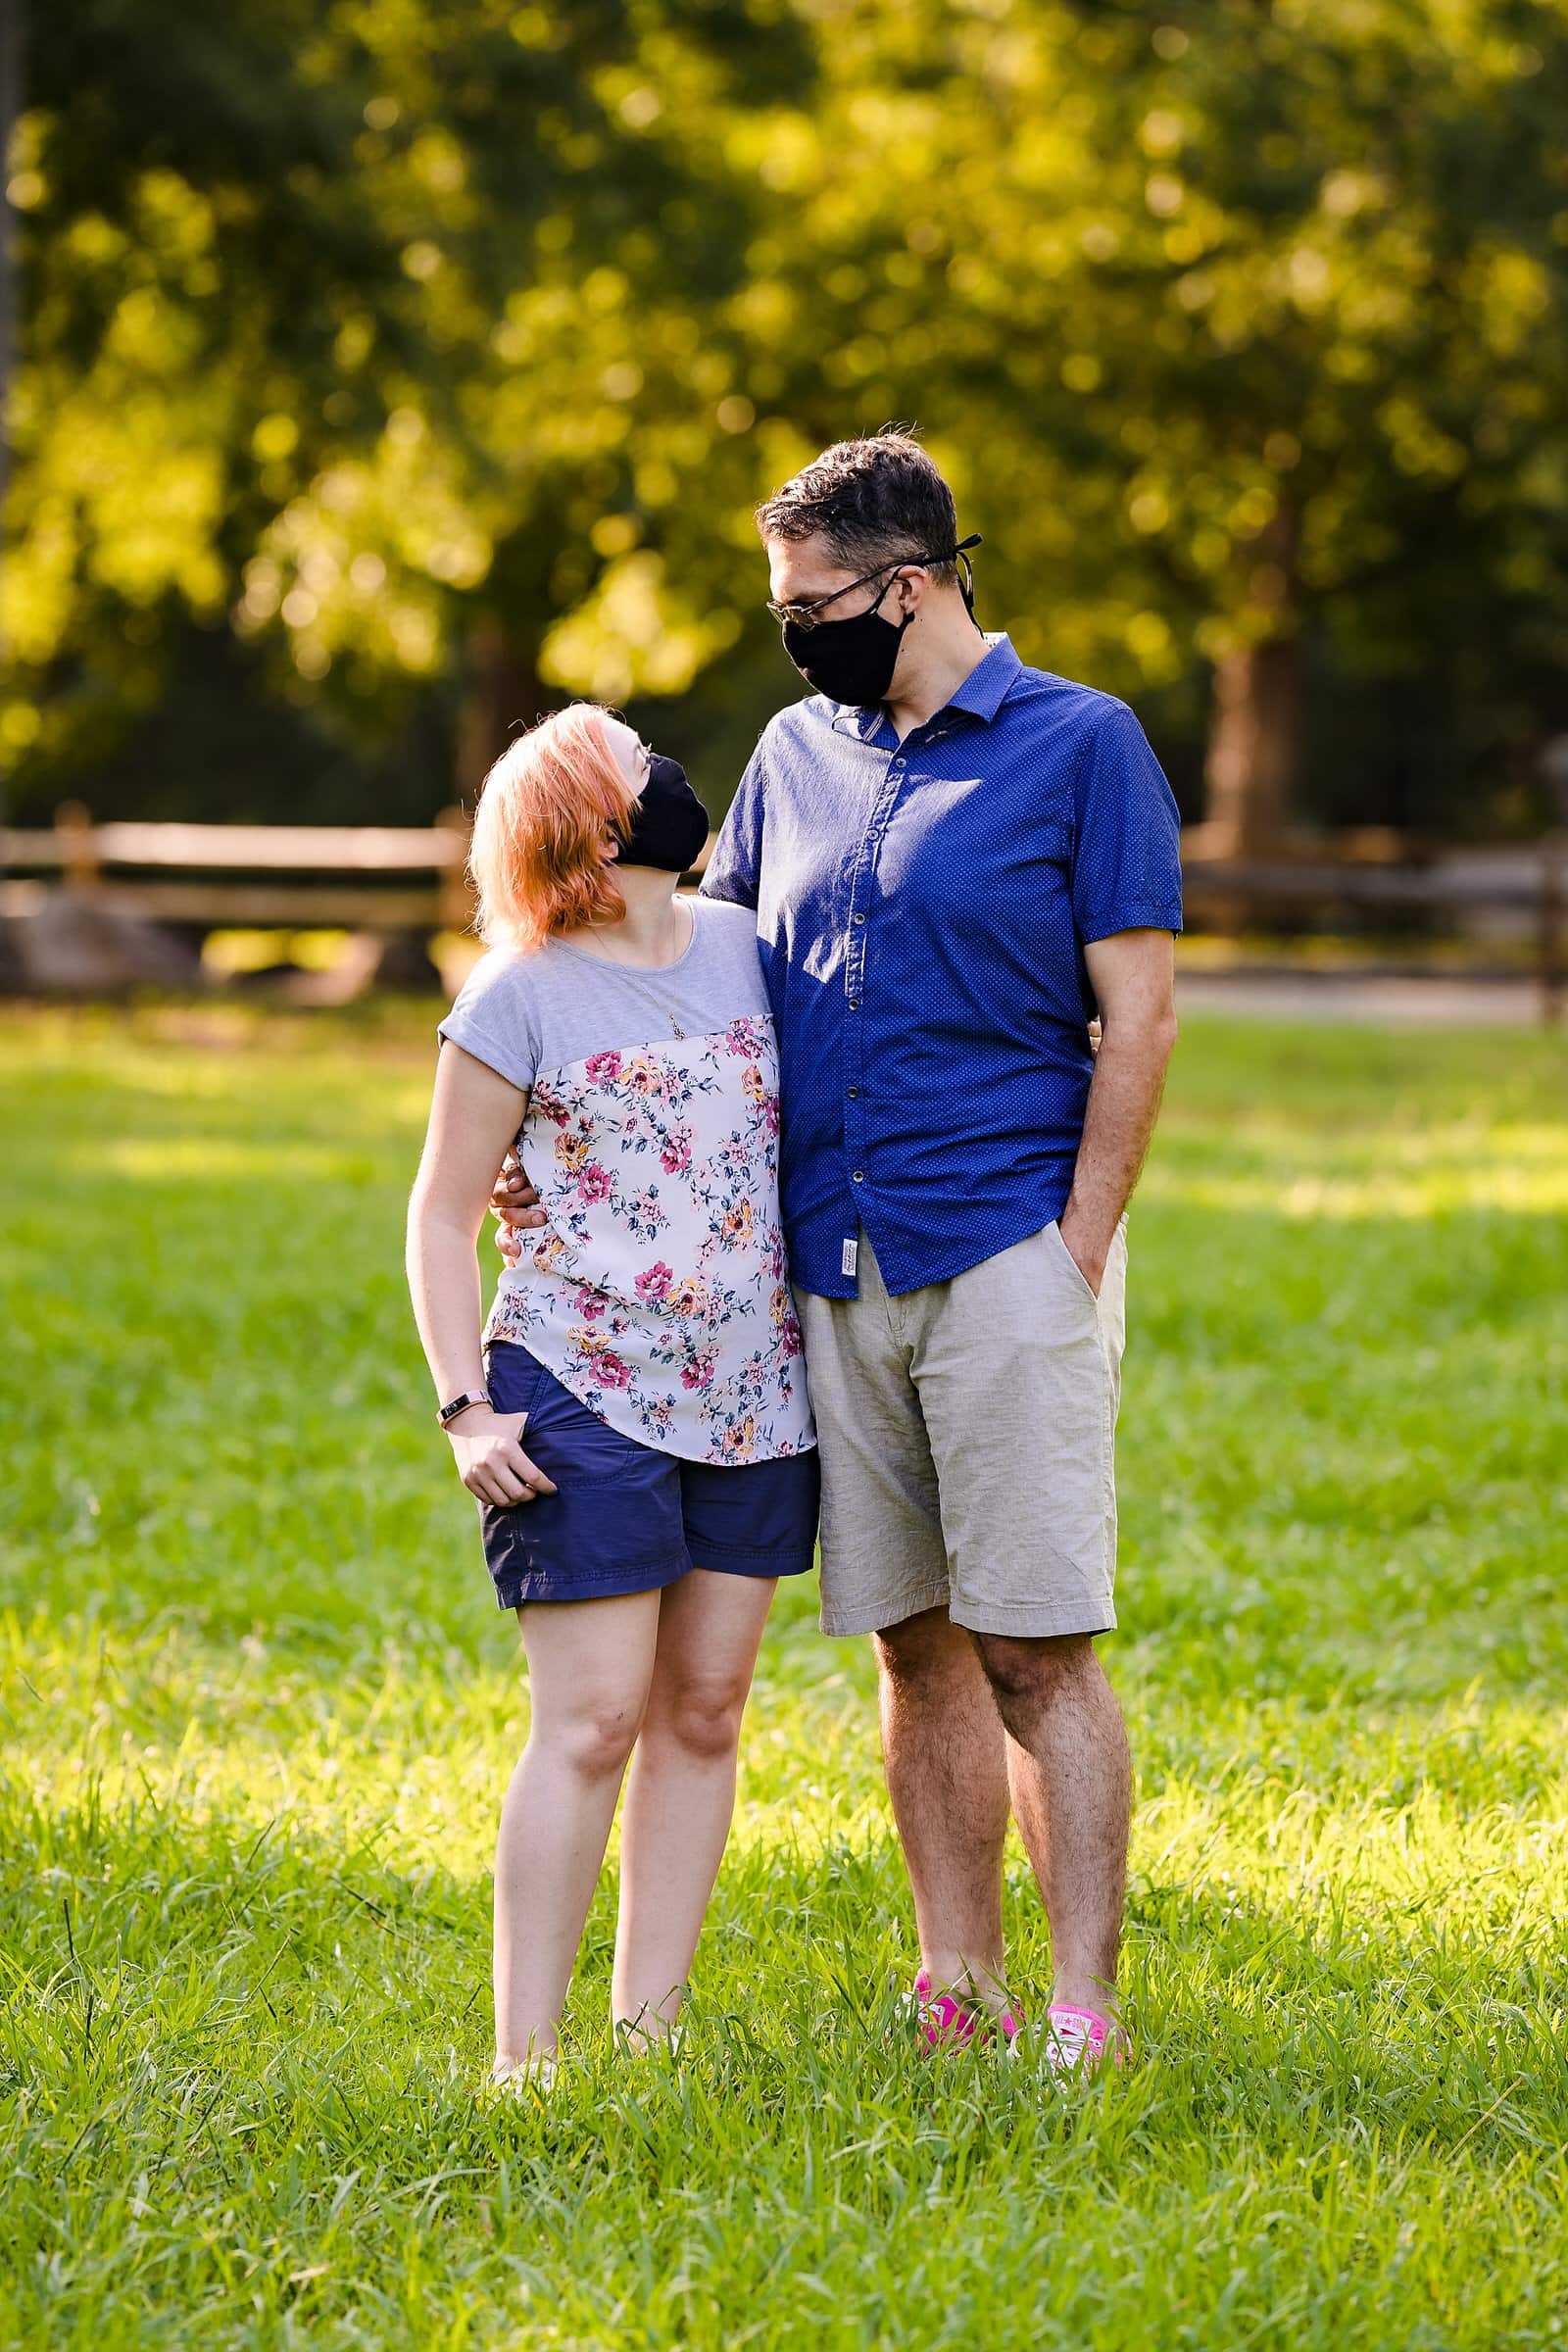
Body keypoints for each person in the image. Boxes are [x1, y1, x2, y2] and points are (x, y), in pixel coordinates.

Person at [407, 703, 818, 2089]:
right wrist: (469, 1409)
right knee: (589, 1723)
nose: (674, 779)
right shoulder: (515, 995)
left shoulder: (752, 952)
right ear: (594, 818)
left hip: (759, 1394)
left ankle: (649, 2036)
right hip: (577, 1388)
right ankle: (524, 2058)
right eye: (643, 765)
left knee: (705, 1711)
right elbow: (443, 1215)